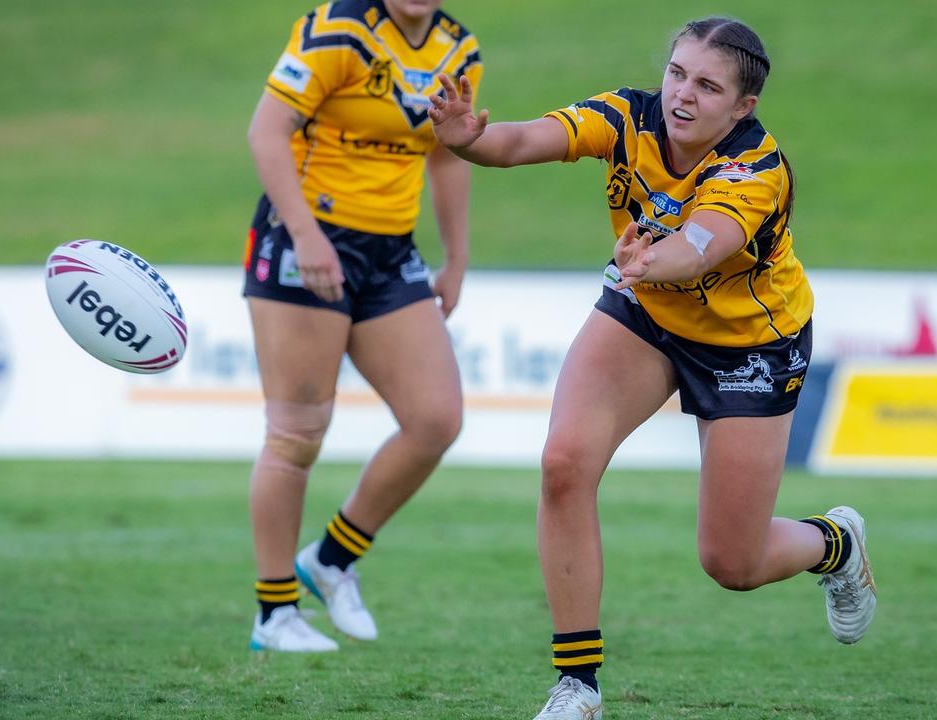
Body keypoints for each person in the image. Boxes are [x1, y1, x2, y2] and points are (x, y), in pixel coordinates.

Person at [429, 16, 875, 719]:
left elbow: (701, 244)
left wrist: (650, 260)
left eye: (707, 85)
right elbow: (519, 142)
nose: (683, 95)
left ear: (742, 107)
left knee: (733, 564)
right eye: (677, 73)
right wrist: (470, 140)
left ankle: (835, 543)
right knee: (563, 464)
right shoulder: (625, 118)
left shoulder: (756, 170)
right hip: (647, 312)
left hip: (749, 343)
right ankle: (577, 687)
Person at [243, 0, 481, 653]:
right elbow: (266, 133)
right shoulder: (335, 28)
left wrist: (457, 258)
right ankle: (274, 613)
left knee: (437, 419)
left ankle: (333, 558)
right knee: (295, 432)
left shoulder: (458, 50)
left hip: (389, 251)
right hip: (305, 238)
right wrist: (305, 234)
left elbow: (448, 154)